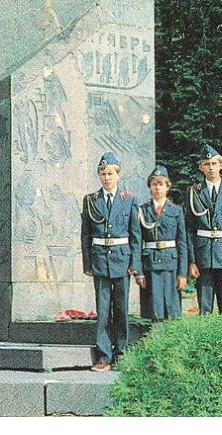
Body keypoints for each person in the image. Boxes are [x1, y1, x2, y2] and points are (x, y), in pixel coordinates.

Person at [80, 151, 141, 371]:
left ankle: (122, 354)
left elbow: (136, 235)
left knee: (122, 310)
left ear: (118, 175)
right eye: (103, 174)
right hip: (99, 261)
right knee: (103, 310)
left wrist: (135, 263)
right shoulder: (91, 200)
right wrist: (87, 264)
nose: (107, 178)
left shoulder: (129, 200)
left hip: (122, 260)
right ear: (99, 176)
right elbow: (85, 234)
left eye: (111, 173)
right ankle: (104, 356)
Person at [185, 143, 222, 314]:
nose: (211, 168)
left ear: (221, 165)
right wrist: (192, 260)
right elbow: (189, 228)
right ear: (201, 167)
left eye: (214, 164)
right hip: (203, 253)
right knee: (204, 306)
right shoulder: (193, 192)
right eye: (206, 164)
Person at [136, 164, 187, 321]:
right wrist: (139, 272)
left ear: (167, 187)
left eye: (161, 184)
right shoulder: (142, 210)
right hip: (150, 265)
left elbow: (182, 243)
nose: (157, 188)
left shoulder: (176, 210)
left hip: (171, 264)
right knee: (153, 310)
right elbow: (137, 243)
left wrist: (182, 273)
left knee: (172, 311)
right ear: (150, 187)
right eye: (154, 184)